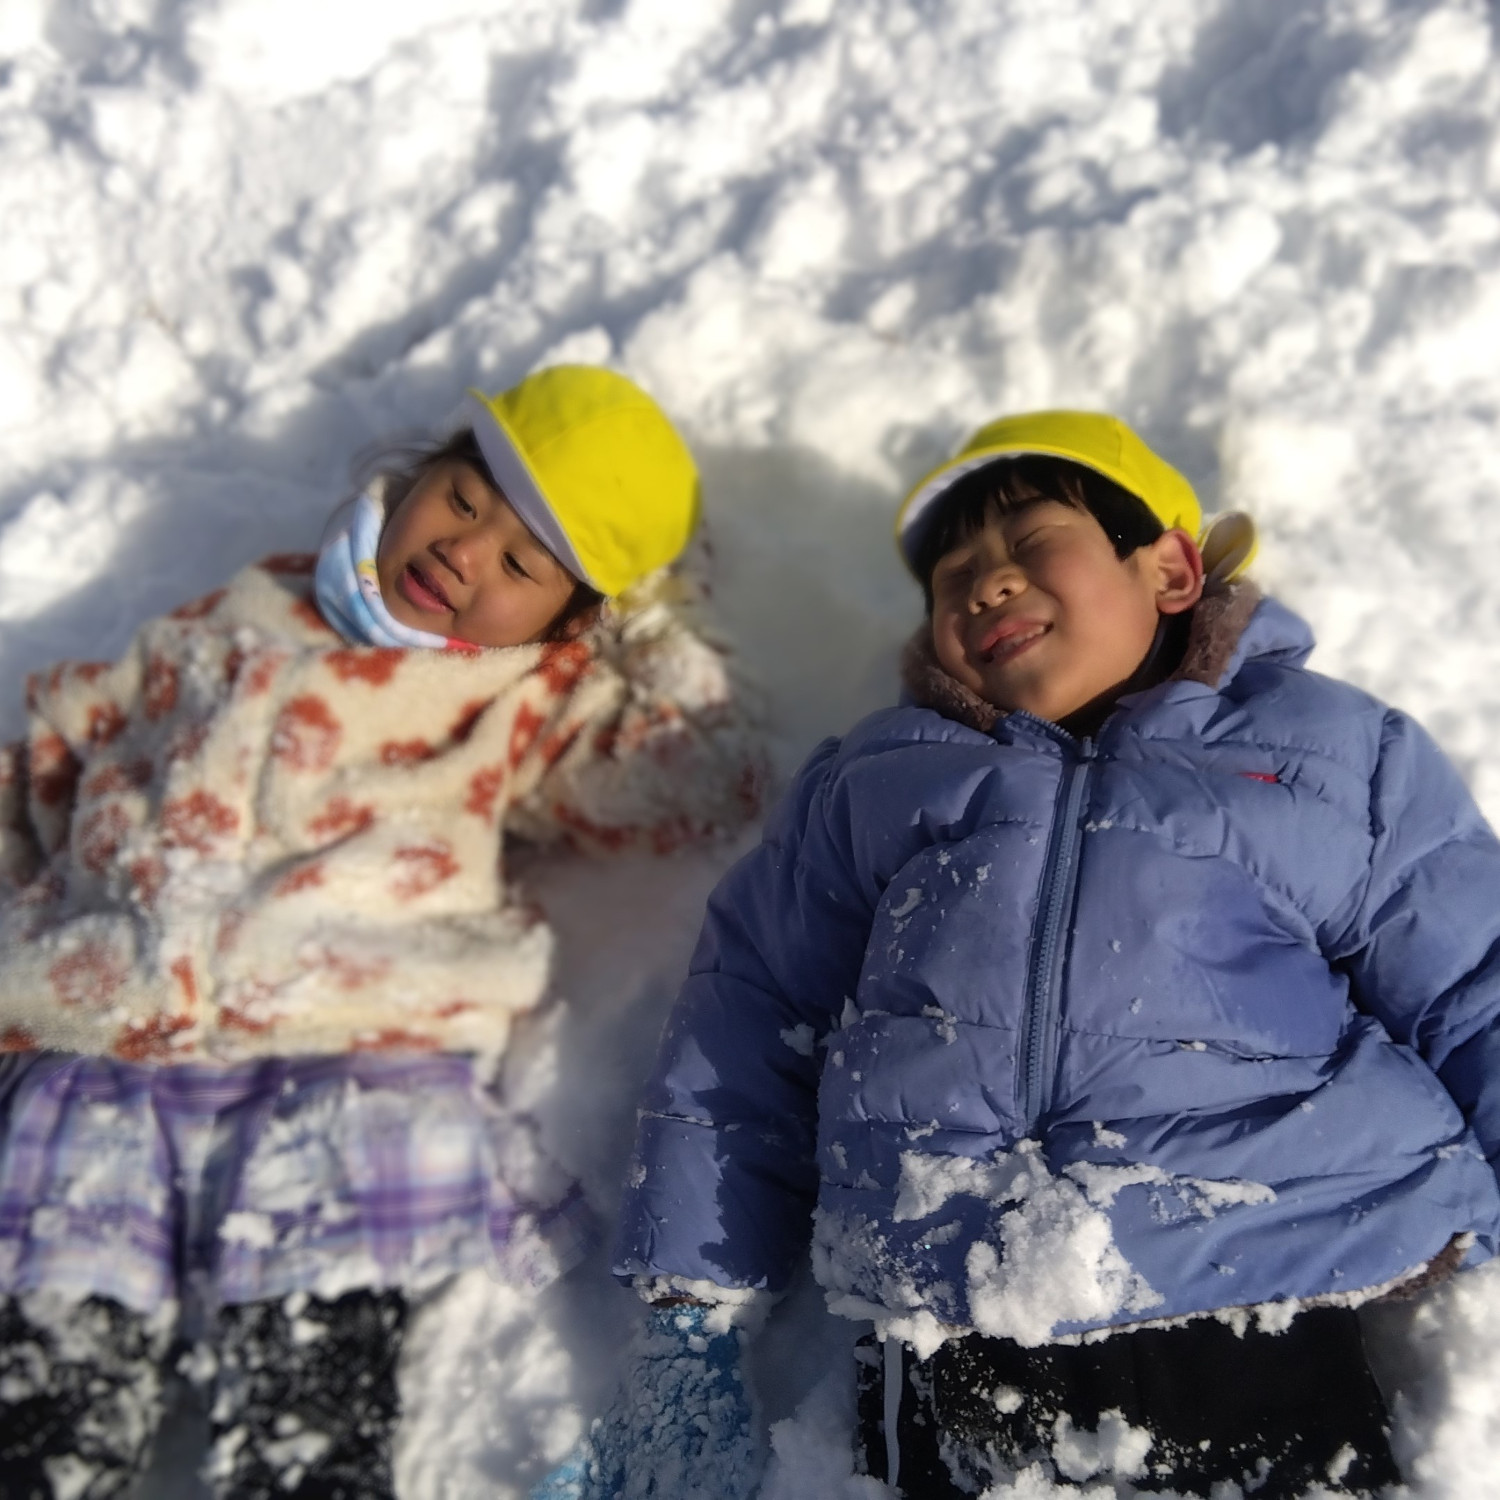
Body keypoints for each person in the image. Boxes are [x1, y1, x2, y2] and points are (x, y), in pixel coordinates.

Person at [556, 411, 1500, 1498]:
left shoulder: (1329, 752)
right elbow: (750, 1015)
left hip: (1258, 1271)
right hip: (958, 1304)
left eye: (1033, 541)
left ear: (1172, 570)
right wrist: (690, 1312)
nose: (986, 583)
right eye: (952, 575)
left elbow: (1473, 984)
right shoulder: (881, 780)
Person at [0, 363, 762, 1499]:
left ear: (568, 619)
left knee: (310, 1418)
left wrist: (644, 635)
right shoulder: (235, 616)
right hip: (114, 1038)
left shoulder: (520, 698)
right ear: (418, 477)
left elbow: (700, 781)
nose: (466, 551)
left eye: (521, 565)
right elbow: (62, 759)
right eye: (463, 500)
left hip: (351, 1062)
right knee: (47, 1407)